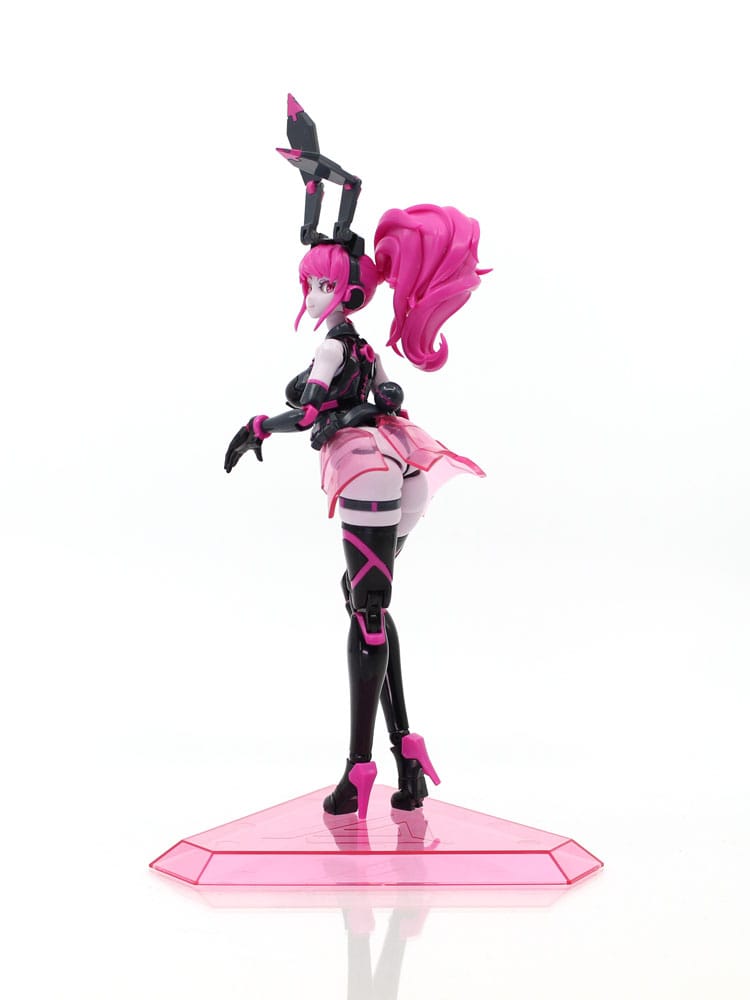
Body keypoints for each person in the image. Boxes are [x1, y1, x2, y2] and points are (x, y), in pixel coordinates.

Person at [225, 101, 487, 821]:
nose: (310, 294)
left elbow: (310, 412)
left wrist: (257, 426)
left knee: (367, 612)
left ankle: (358, 770)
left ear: (343, 290)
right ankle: (409, 756)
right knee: (367, 601)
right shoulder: (362, 346)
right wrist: (318, 184)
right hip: (402, 469)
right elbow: (385, 395)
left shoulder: (332, 345)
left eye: (319, 284)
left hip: (369, 468)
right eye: (308, 283)